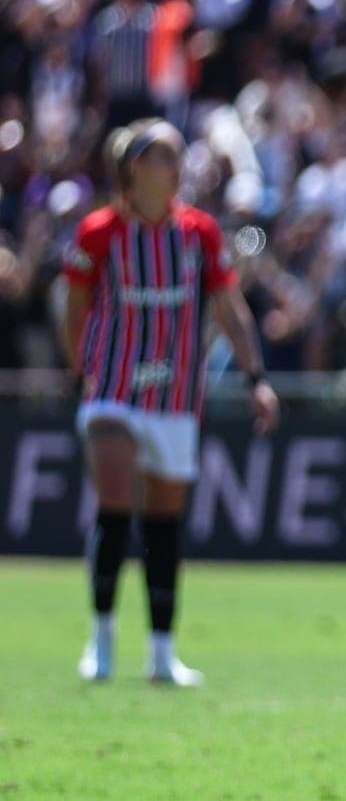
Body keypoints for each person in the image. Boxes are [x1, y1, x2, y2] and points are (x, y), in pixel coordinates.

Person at [62, 119, 280, 687]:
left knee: (163, 523)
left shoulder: (199, 234)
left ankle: (162, 652)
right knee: (114, 505)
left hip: (177, 394)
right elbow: (76, 306)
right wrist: (79, 366)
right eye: (167, 157)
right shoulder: (99, 232)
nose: (179, 167)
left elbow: (230, 307)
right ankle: (102, 640)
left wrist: (256, 376)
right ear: (136, 167)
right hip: (112, 389)